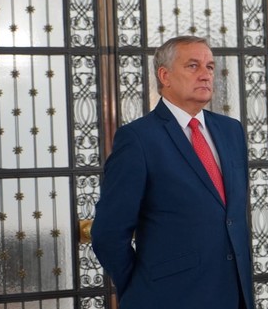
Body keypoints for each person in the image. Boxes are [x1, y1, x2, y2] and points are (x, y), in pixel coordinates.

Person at [91, 36, 254, 309]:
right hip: (168, 297)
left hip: (234, 294)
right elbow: (108, 233)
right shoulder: (138, 138)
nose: (205, 74)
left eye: (210, 67)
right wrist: (140, 288)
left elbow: (230, 216)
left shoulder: (231, 130)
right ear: (164, 75)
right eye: (193, 66)